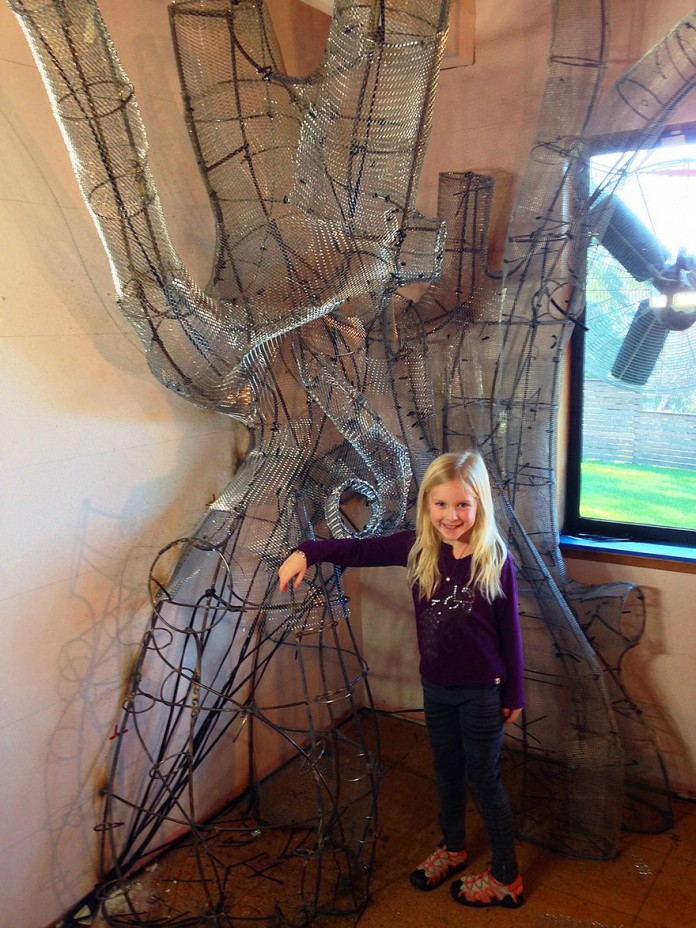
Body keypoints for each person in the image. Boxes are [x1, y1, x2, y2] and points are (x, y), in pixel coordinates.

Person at [278, 450, 525, 909]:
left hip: (483, 693)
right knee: (446, 770)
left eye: (463, 505)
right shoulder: (417, 548)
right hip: (437, 687)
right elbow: (357, 550)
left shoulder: (494, 558)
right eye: (441, 504)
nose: (452, 516)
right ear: (427, 504)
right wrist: (306, 552)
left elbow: (510, 632)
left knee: (483, 778)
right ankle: (453, 848)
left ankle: (506, 877)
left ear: (480, 504)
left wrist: (515, 693)